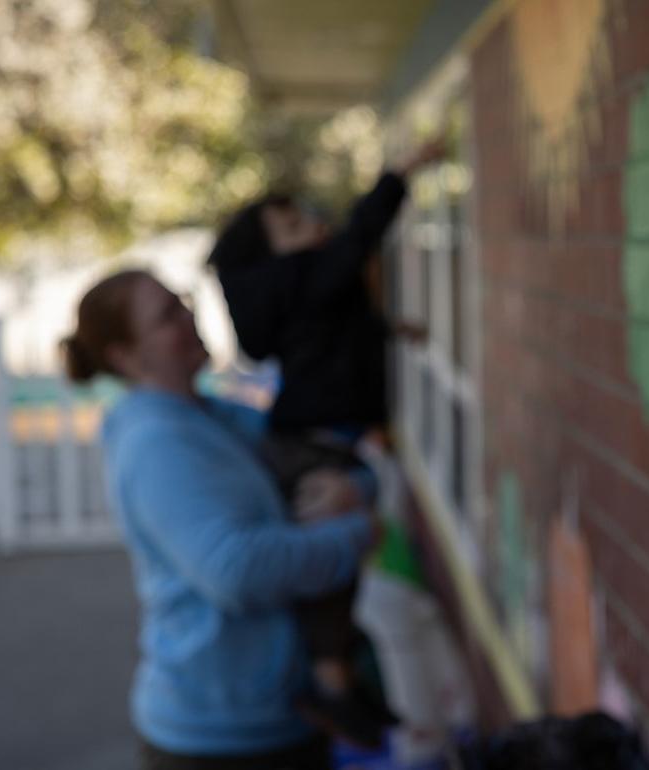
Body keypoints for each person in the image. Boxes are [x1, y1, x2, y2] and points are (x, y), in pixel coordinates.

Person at [63, 270, 379, 770]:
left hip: (280, 715)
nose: (188, 317)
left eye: (182, 302)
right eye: (166, 316)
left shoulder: (218, 416)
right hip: (215, 740)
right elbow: (238, 571)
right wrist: (358, 533)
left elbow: (330, 460)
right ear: (126, 356)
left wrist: (350, 490)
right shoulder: (156, 444)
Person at [205, 140, 444, 747]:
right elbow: (356, 241)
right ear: (270, 260)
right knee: (331, 571)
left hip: (319, 438)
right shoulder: (302, 279)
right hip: (315, 446)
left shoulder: (306, 293)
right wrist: (398, 174)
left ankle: (336, 681)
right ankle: (330, 683)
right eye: (292, 226)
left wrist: (390, 327)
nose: (314, 226)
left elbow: (333, 330)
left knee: (340, 571)